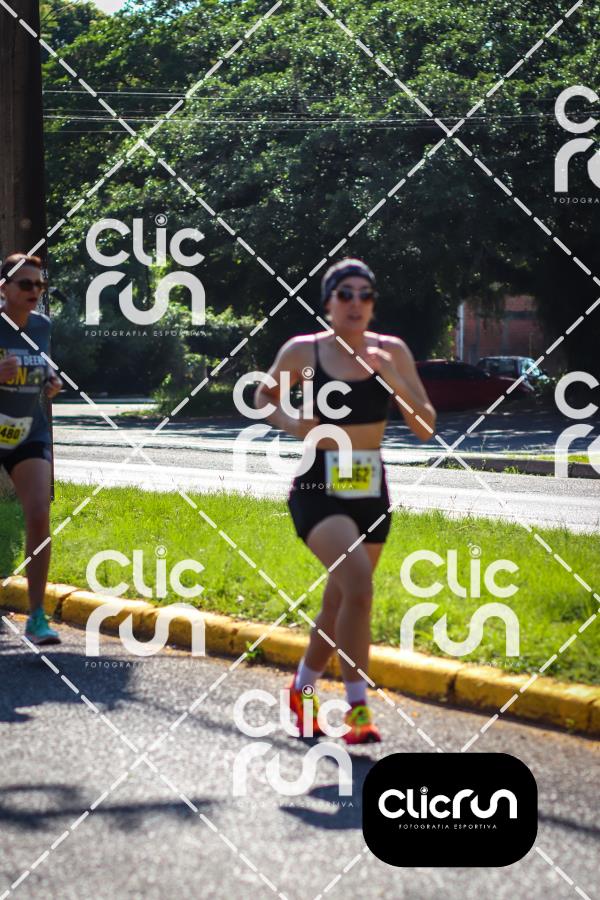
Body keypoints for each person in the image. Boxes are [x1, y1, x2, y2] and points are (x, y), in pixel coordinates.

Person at [255, 259, 436, 744]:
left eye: (365, 295)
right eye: (345, 294)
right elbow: (262, 396)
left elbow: (425, 426)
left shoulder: (391, 351)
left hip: (370, 487)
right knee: (358, 586)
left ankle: (301, 691)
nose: (356, 303)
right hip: (318, 485)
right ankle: (359, 711)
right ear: (328, 302)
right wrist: (292, 422)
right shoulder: (304, 351)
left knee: (340, 601)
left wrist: (391, 378)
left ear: (373, 304)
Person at [0, 253, 62, 645]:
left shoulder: (42, 326)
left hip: (26, 430)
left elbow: (43, 363)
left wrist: (50, 379)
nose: (34, 291)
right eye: (25, 284)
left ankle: (36, 616)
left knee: (39, 515)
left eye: (40, 284)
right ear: (4, 288)